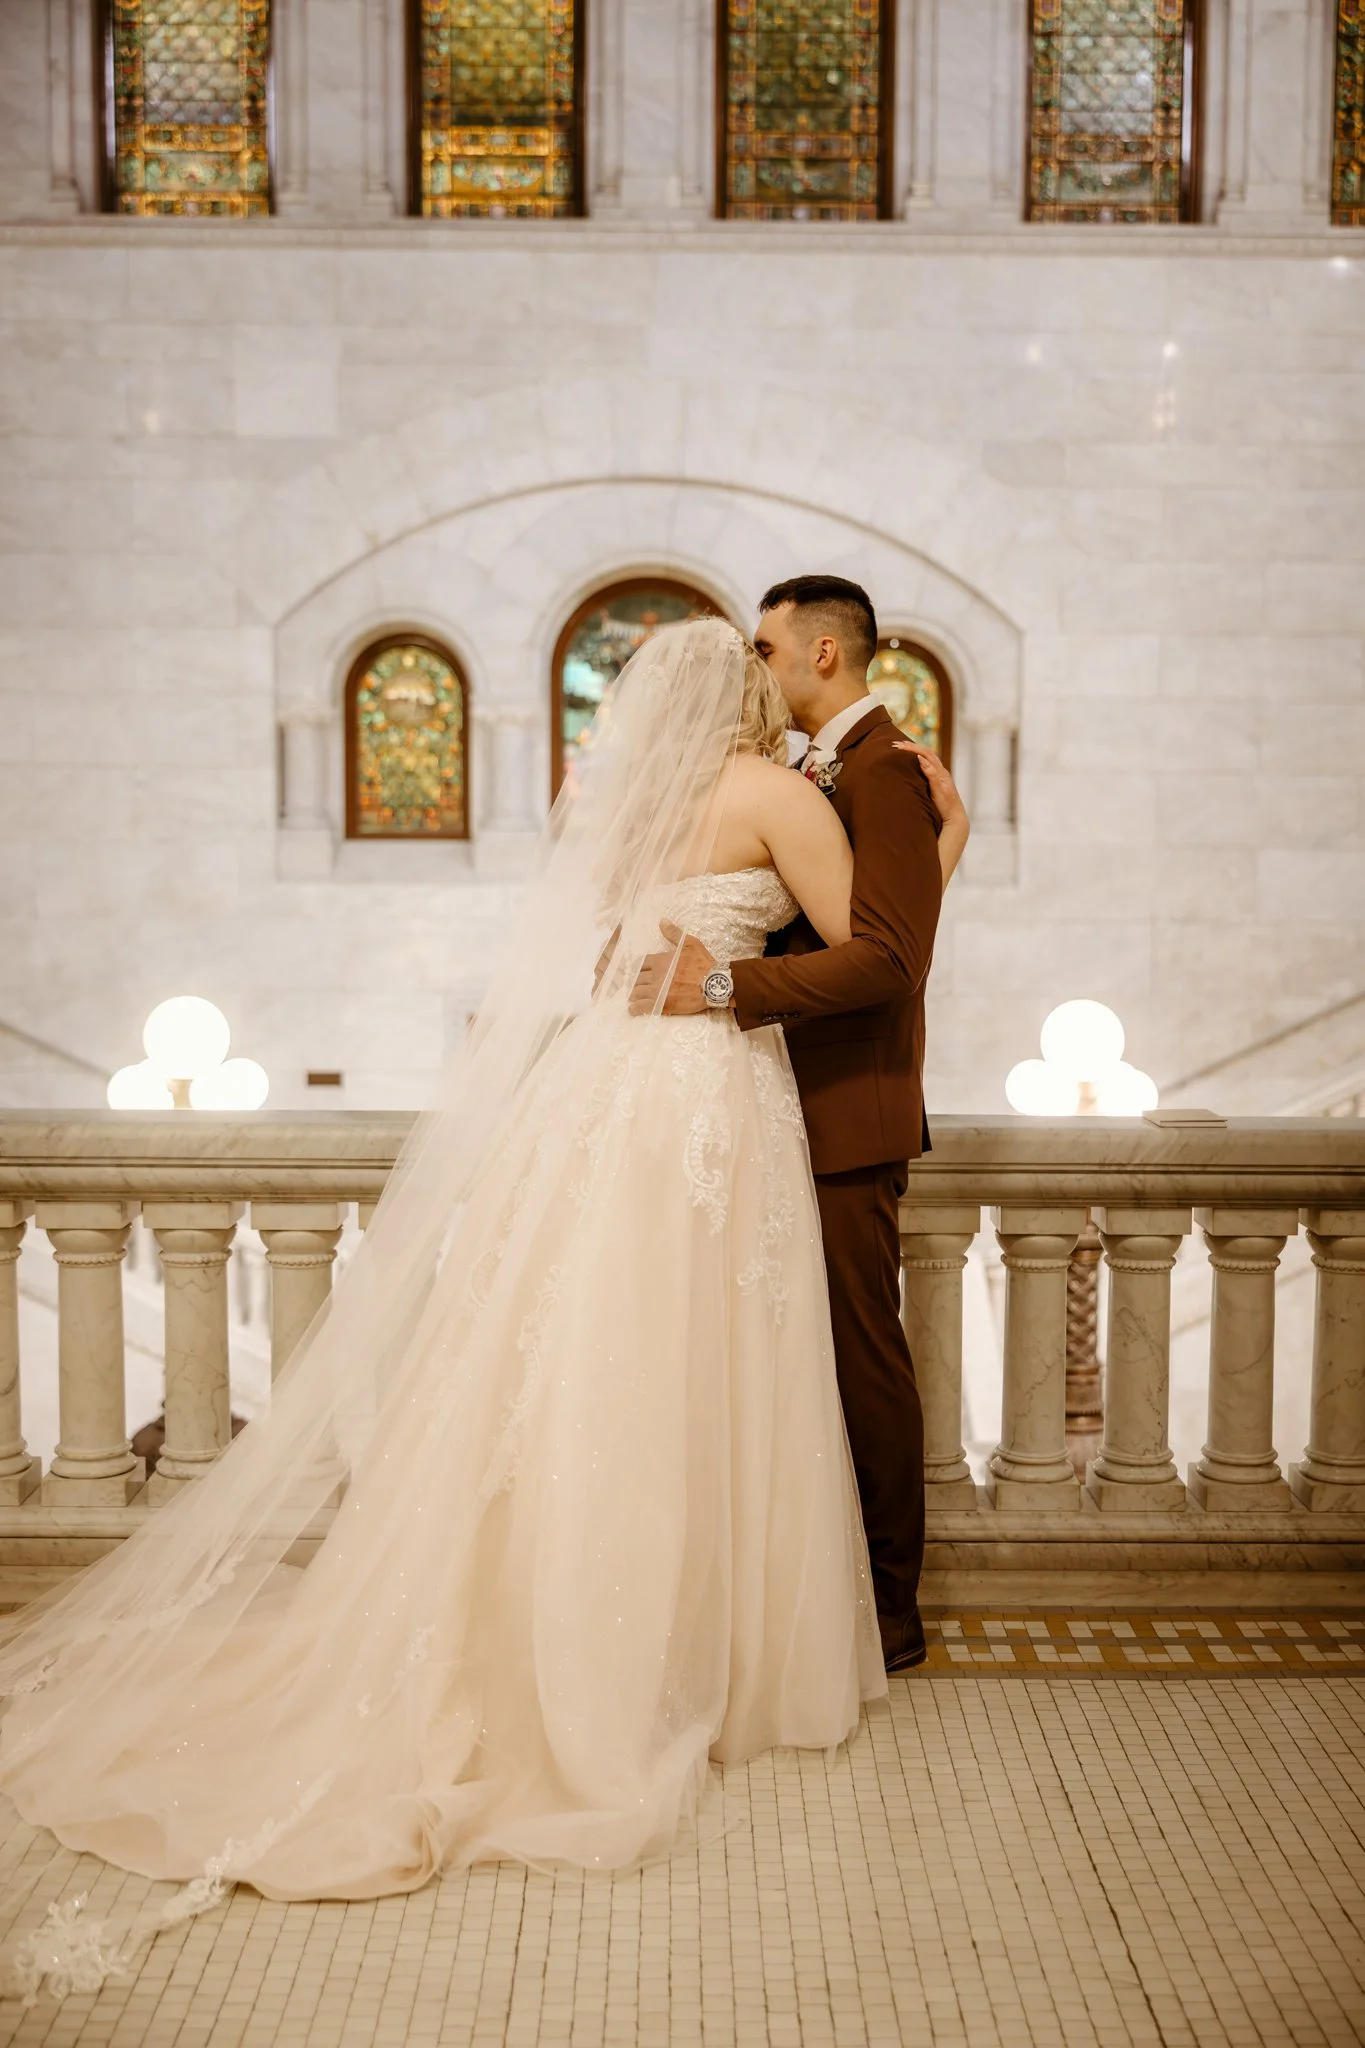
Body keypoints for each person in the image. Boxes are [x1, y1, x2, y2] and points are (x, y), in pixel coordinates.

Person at [0, 617, 964, 2003]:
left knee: (588, 1358)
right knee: (702, 1361)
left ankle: (562, 1625)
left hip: (601, 1092)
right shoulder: (774, 795)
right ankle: (695, 1649)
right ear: (754, 690)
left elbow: (610, 957)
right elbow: (878, 941)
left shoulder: (624, 809)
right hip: (700, 1090)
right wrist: (950, 846)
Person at [630, 578, 965, 1674]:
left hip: (841, 1105)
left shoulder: (882, 770)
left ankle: (887, 1607)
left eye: (766, 645)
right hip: (747, 1099)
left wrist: (722, 988)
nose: (753, 665)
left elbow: (888, 955)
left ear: (823, 652)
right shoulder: (799, 776)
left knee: (860, 1355)